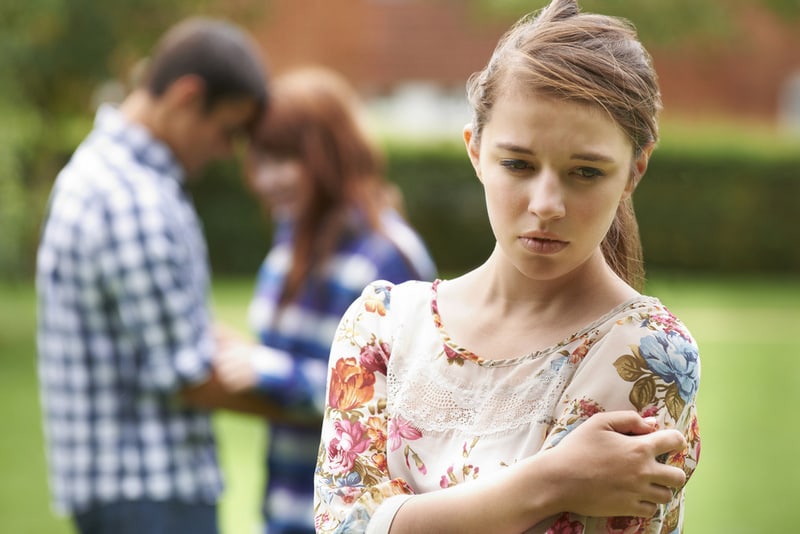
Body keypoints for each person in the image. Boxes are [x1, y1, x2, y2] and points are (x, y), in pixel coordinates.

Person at [313, 1, 702, 532]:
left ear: (635, 170)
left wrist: (398, 516)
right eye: (518, 164)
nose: (546, 204)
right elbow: (341, 524)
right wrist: (551, 481)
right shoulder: (381, 323)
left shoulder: (647, 352)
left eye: (585, 172)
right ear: (475, 151)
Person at [36, 17, 279, 534]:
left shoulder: (108, 175)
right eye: (227, 132)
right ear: (187, 96)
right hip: (149, 495)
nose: (225, 152)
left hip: (127, 492)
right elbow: (187, 374)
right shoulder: (131, 200)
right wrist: (331, 412)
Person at [211, 66, 437, 534]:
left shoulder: (387, 255)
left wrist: (271, 371)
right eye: (259, 159)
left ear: (329, 156)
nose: (267, 179)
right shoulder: (290, 245)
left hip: (362, 519)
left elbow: (405, 404)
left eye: (284, 159)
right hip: (285, 508)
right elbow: (287, 357)